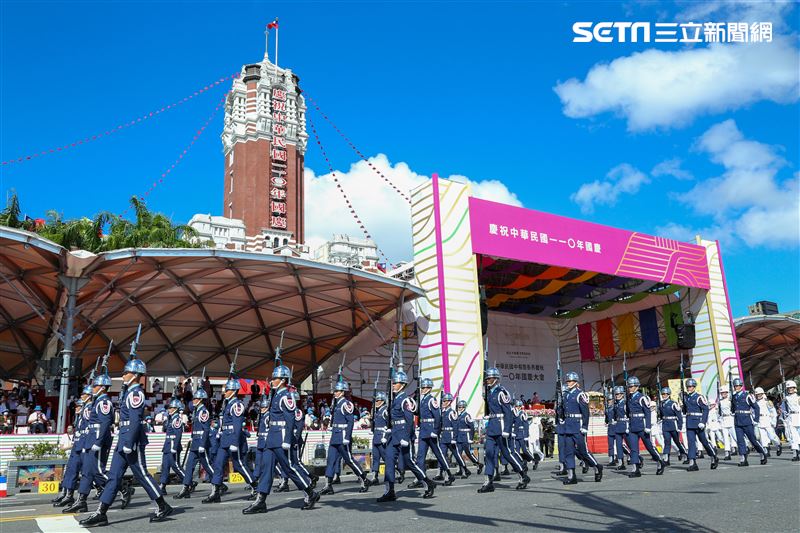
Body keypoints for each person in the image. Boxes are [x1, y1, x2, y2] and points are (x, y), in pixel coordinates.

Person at [79, 355, 172, 526]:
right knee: (113, 476)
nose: (123, 375)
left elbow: (136, 420)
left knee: (142, 474)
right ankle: (101, 512)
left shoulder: (136, 393)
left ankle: (162, 505)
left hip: (131, 440)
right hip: (123, 439)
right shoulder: (128, 392)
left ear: (135, 375)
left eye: (126, 372)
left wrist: (129, 442)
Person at [243, 365, 319, 514]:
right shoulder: (276, 394)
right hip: (271, 438)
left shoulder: (286, 396)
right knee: (266, 469)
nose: (273, 380)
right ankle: (261, 500)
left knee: (289, 468)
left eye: (275, 378)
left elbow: (290, 418)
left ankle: (310, 493)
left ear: (283, 380)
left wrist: (287, 439)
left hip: (280, 437)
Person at [377, 368, 435, 503]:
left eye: (395, 383)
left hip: (402, 435)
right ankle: (389, 491)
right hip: (393, 435)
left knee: (409, 462)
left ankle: (427, 482)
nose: (392, 385)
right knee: (389, 461)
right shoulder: (394, 399)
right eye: (392, 383)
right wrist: (388, 430)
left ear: (402, 385)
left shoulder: (405, 400)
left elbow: (409, 420)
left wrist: (406, 437)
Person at [64, 370, 114, 513]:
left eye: (95, 386)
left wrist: (97, 442)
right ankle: (81, 500)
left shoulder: (104, 402)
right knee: (87, 472)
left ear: (102, 387)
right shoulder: (96, 403)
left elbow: (104, 424)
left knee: (97, 471)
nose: (92, 389)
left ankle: (121, 487)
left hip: (96, 441)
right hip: (89, 441)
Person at [203, 376, 258, 503]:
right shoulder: (228, 404)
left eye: (227, 390)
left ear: (233, 391)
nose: (225, 392)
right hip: (224, 439)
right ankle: (215, 492)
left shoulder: (237, 405)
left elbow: (238, 425)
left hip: (233, 438)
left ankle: (255, 486)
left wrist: (234, 442)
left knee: (238, 465)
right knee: (218, 464)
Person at [478, 367, 530, 493]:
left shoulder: (502, 392)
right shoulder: (490, 392)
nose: (488, 380)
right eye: (487, 378)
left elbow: (508, 412)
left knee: (507, 454)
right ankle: (488, 481)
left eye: (490, 378)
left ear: (496, 379)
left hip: (501, 426)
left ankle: (523, 475)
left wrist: (507, 429)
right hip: (492, 427)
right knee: (489, 454)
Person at [320, 379, 369, 495]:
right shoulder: (337, 404)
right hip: (335, 436)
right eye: (335, 391)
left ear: (342, 392)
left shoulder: (346, 404)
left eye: (337, 391)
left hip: (342, 436)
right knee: (330, 460)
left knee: (349, 460)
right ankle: (328, 484)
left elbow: (350, 421)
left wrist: (347, 436)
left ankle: (364, 479)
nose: (334, 393)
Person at [560, 372, 602, 484]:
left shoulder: (580, 395)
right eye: (567, 381)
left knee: (583, 452)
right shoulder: (566, 395)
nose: (568, 383)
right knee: (568, 452)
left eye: (570, 381)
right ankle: (571, 476)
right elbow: (564, 409)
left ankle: (597, 466)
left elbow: (586, 413)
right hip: (568, 426)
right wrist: (562, 418)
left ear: (576, 382)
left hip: (578, 426)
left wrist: (584, 426)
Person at [413, 378, 455, 486]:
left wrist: (436, 430)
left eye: (425, 387)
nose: (423, 389)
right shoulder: (422, 400)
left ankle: (449, 474)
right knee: (420, 456)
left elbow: (437, 416)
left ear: (430, 388)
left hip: (431, 430)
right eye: (422, 387)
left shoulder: (431, 400)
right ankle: (420, 477)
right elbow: (417, 413)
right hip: (423, 430)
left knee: (438, 454)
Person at [625, 376, 666, 478]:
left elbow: (647, 413)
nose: (629, 388)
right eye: (629, 386)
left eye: (631, 386)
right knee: (633, 448)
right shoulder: (629, 398)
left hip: (642, 425)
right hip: (632, 425)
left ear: (636, 387)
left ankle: (659, 461)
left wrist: (647, 426)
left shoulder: (642, 397)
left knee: (649, 447)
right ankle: (635, 469)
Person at [52, 400, 85, 508]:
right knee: (70, 472)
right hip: (77, 448)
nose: (75, 408)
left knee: (93, 474)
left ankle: (120, 487)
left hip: (83, 449)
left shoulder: (86, 416)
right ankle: (68, 495)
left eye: (78, 406)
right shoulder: (78, 418)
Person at [683, 378, 719, 471]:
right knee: (691, 443)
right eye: (687, 386)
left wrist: (703, 422)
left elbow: (706, 409)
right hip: (689, 422)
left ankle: (713, 456)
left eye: (690, 386)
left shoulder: (699, 397)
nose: (689, 388)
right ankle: (692, 462)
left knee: (704, 441)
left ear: (694, 387)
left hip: (698, 422)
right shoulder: (686, 397)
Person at [731, 378, 768, 466]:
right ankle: (743, 458)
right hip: (737, 421)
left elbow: (756, 407)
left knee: (753, 440)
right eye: (735, 386)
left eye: (738, 386)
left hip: (747, 420)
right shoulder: (734, 396)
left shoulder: (747, 395)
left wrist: (756, 420)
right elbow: (733, 408)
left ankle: (762, 453)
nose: (736, 387)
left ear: (741, 386)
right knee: (740, 441)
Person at [158, 397, 186, 494]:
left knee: (176, 466)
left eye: (171, 408)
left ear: (175, 408)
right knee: (165, 466)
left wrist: (174, 447)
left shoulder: (176, 419)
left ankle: (188, 481)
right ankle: (162, 485)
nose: (169, 410)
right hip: (167, 445)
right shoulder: (170, 418)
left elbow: (178, 434)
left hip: (172, 445)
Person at [454, 399, 483, 475]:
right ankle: (460, 470)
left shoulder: (467, 415)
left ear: (464, 407)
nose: (460, 408)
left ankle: (478, 464)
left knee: (468, 453)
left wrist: (471, 438)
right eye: (459, 407)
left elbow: (472, 427)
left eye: (461, 407)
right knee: (458, 454)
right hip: (459, 437)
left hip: (466, 437)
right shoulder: (458, 415)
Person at [659, 387, 687, 465]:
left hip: (673, 425)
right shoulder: (661, 404)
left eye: (666, 394)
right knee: (667, 442)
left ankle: (685, 455)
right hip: (665, 425)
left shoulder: (673, 403)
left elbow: (679, 416)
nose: (664, 395)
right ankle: (666, 459)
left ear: (669, 394)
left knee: (677, 442)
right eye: (663, 394)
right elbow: (661, 415)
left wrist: (679, 426)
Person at [368, 391, 390, 486]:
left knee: (386, 458)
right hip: (376, 436)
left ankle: (390, 474)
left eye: (378, 400)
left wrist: (385, 437)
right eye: (375, 401)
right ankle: (374, 476)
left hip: (382, 437)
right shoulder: (376, 411)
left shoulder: (385, 410)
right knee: (375, 458)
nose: (376, 402)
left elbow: (389, 426)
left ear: (383, 401)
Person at [754, 387, 782, 455]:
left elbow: (773, 412)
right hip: (759, 421)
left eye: (760, 394)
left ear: (763, 394)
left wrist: (773, 422)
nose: (758, 396)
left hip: (767, 420)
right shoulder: (754, 403)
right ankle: (765, 450)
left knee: (772, 436)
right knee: (762, 437)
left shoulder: (767, 402)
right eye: (757, 394)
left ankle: (778, 445)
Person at [781, 380, 800, 461]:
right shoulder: (786, 399)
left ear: (795, 388)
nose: (789, 389)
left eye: (791, 388)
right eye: (788, 388)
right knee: (793, 437)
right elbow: (783, 409)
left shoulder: (799, 397)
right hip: (791, 417)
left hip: (799, 416)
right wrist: (785, 415)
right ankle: (795, 453)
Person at [717, 387, 737, 460]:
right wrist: (719, 420)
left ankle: (744, 448)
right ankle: (727, 453)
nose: (723, 394)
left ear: (727, 393)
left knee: (735, 436)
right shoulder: (720, 401)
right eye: (722, 393)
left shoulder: (730, 400)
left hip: (730, 419)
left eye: (725, 392)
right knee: (725, 438)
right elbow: (719, 412)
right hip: (724, 420)